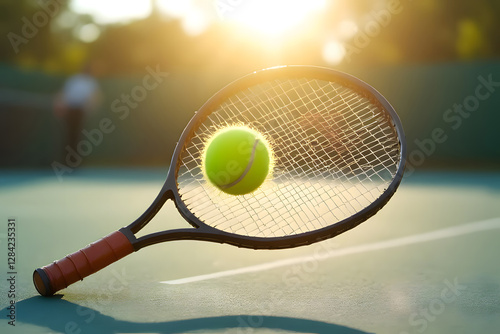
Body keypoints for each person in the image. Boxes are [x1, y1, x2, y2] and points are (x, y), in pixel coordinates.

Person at [54, 64, 101, 155]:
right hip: (70, 109)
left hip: (79, 110)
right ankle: (68, 158)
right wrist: (60, 106)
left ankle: (73, 159)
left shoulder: (89, 81)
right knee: (70, 133)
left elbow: (94, 97)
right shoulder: (75, 79)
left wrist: (90, 107)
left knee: (76, 134)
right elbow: (64, 93)